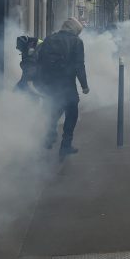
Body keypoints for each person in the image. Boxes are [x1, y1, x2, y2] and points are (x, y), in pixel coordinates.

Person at [38, 18, 89, 158]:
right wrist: (84, 85)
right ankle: (66, 145)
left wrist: (42, 83)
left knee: (54, 108)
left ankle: (48, 138)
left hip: (49, 83)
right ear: (75, 30)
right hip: (67, 83)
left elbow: (40, 61)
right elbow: (79, 65)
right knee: (71, 112)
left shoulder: (49, 39)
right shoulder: (77, 42)